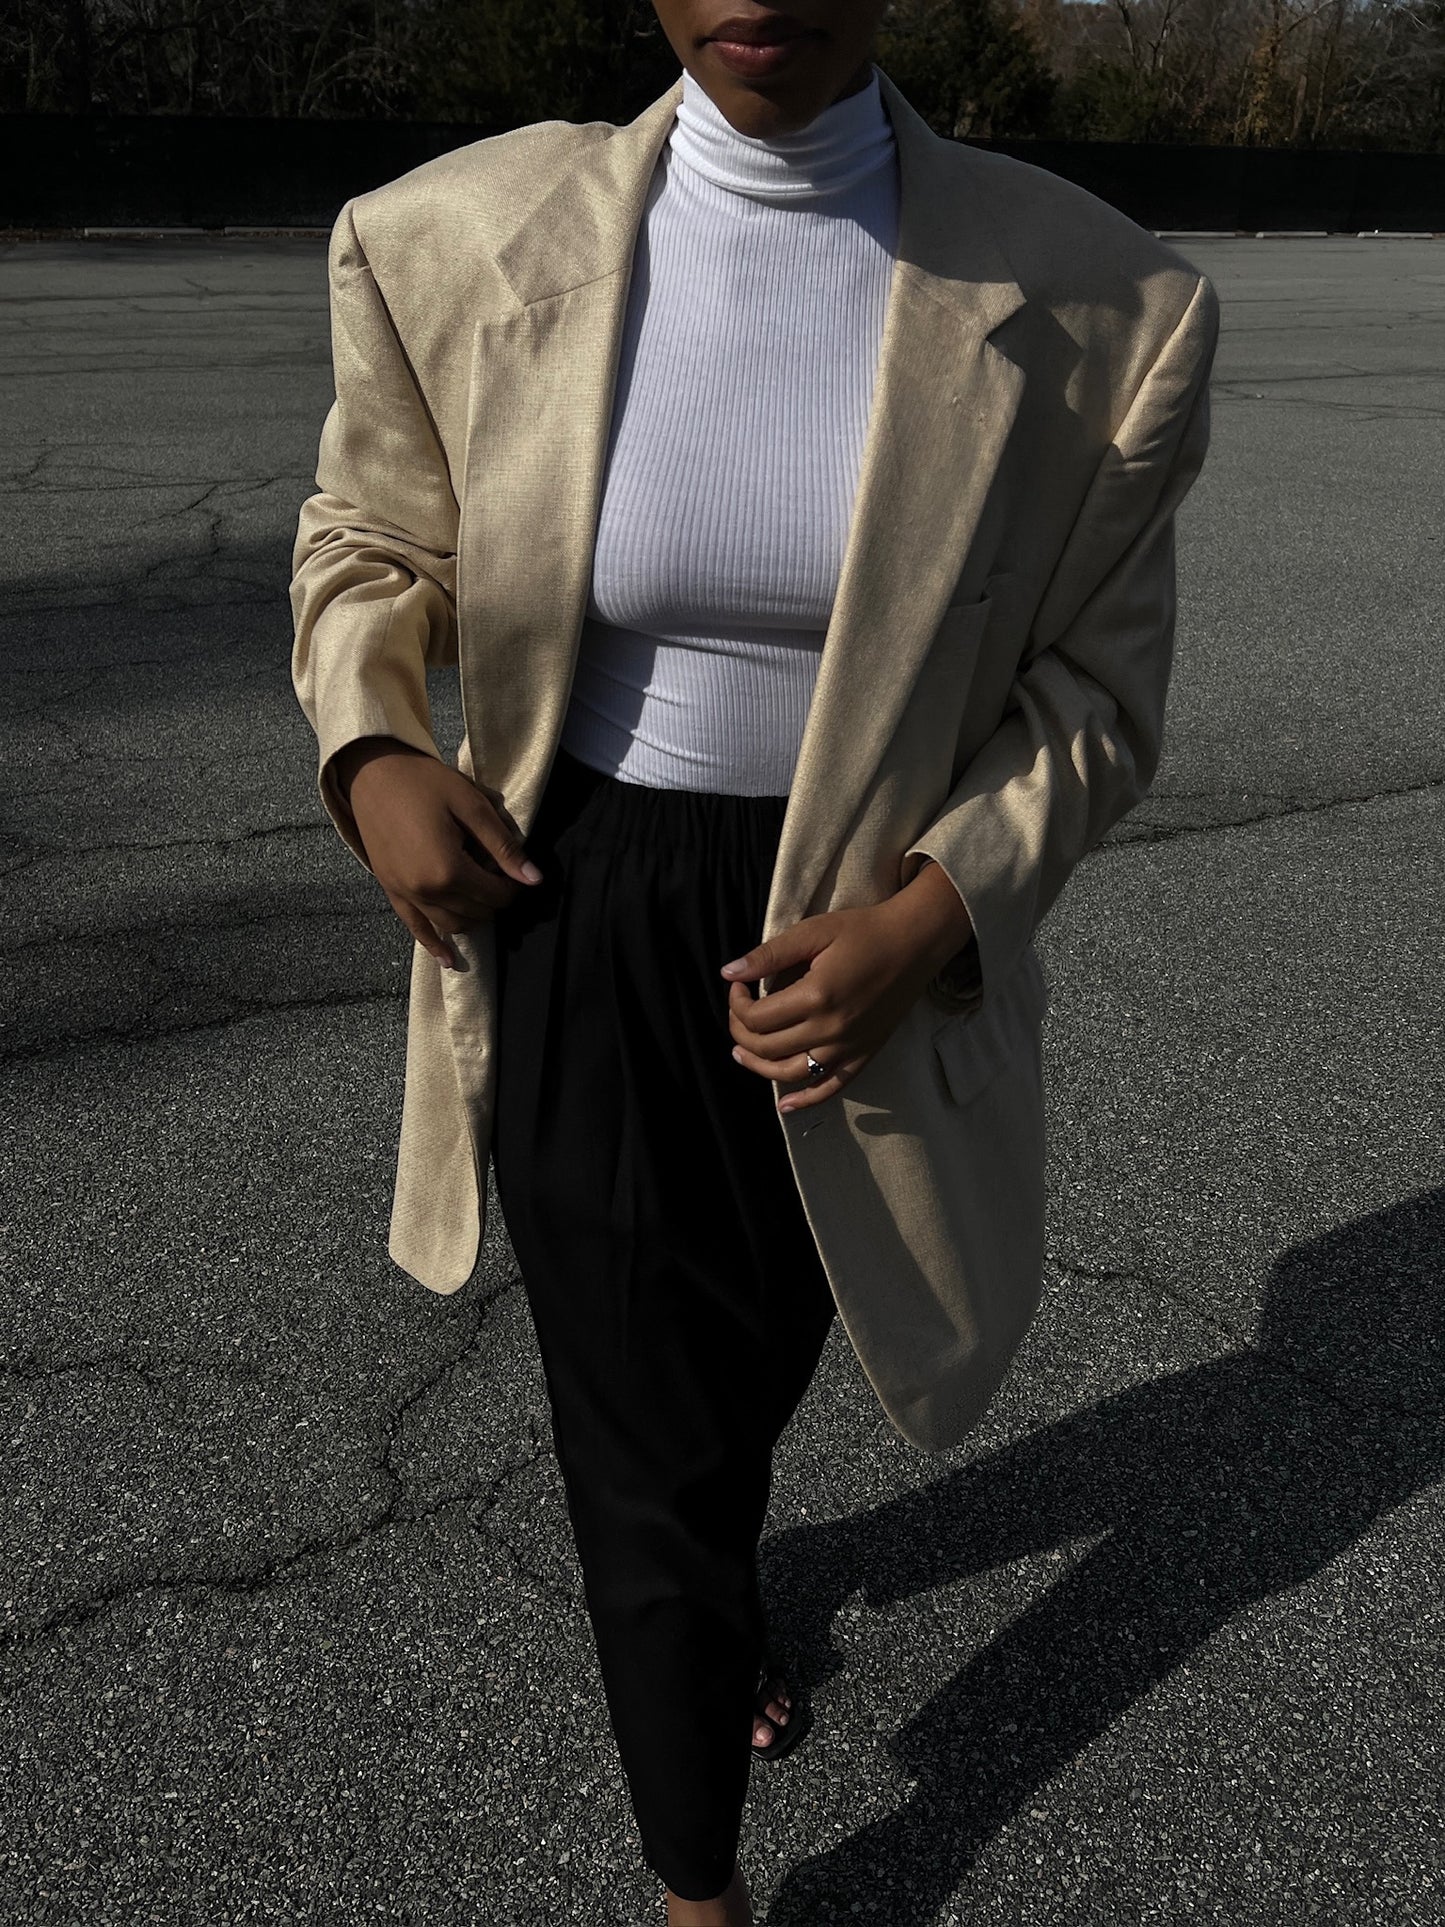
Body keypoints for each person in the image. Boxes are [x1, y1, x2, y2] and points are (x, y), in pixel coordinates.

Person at [289, 4, 1220, 1922]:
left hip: (859, 932)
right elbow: (367, 539)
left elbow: (1096, 699)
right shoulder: (446, 236)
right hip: (577, 892)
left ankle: (708, 1596)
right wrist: (373, 749)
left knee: (759, 1359)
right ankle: (694, 1875)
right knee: (637, 1420)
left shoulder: (1106, 302)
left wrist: (934, 912)